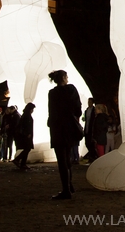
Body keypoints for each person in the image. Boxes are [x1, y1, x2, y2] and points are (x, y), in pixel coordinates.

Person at [47, 70, 81, 200]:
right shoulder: (71, 89)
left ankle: (66, 189)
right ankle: (69, 185)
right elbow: (77, 108)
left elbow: (51, 111)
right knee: (68, 158)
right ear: (63, 78)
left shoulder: (53, 93)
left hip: (57, 128)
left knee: (62, 160)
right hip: (69, 128)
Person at [12, 103, 35, 170]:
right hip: (26, 135)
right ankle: (18, 160)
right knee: (27, 148)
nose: (32, 110)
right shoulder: (27, 116)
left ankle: (23, 163)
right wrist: (27, 133)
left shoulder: (25, 115)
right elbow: (25, 126)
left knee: (27, 149)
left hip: (26, 135)